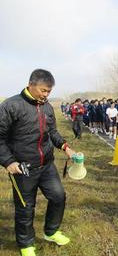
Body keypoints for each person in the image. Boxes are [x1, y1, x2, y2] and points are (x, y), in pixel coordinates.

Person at [0, 69, 76, 256]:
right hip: (22, 168)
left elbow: (53, 133)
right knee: (26, 208)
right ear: (31, 84)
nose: (46, 95)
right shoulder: (10, 106)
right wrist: (8, 162)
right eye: (43, 90)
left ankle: (51, 232)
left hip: (47, 164)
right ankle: (26, 244)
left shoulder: (47, 107)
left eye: (49, 91)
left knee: (59, 197)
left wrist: (65, 147)